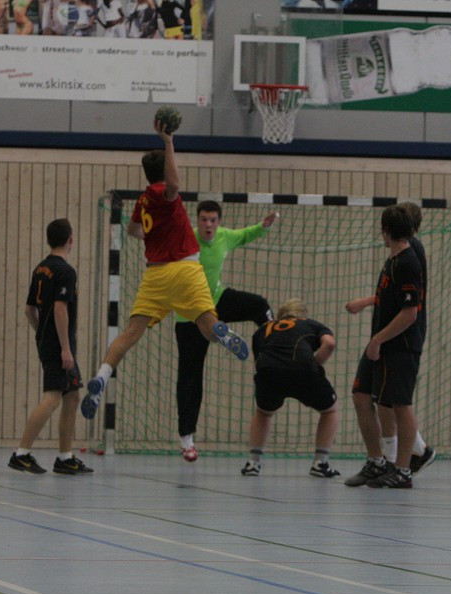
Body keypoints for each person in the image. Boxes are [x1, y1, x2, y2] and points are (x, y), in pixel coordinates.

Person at [80, 116, 249, 421]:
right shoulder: (162, 194)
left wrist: (154, 233)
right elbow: (173, 184)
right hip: (184, 269)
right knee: (206, 322)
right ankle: (225, 336)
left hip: (155, 274)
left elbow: (133, 231)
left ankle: (103, 376)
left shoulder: (143, 201)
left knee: (131, 332)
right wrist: (169, 141)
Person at [175, 201, 276, 461]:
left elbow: (244, 234)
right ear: (197, 221)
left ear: (218, 221)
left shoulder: (223, 236)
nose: (208, 225)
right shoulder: (185, 239)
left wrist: (262, 227)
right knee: (190, 375)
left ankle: (274, 343)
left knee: (259, 305)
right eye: (204, 220)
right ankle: (187, 438)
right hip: (189, 314)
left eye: (212, 220)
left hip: (217, 300)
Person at [345, 202, 434, 488]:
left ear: (385, 231)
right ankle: (378, 461)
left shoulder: (408, 260)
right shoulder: (394, 259)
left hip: (400, 342)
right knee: (363, 394)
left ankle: (404, 468)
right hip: (383, 337)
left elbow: (410, 312)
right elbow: (395, 297)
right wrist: (367, 302)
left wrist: (377, 339)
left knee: (399, 403)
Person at [9, 219, 94, 475]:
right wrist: (64, 348)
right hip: (60, 344)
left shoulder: (41, 268)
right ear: (71, 239)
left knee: (72, 395)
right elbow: (60, 308)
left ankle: (65, 457)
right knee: (53, 397)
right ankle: (21, 453)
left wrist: (41, 334)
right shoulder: (65, 271)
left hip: (49, 340)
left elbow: (29, 310)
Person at [240, 299, 342, 479]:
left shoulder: (263, 328)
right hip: (303, 370)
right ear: (302, 314)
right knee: (329, 410)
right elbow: (330, 344)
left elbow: (259, 357)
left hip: (268, 371)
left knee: (263, 412)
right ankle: (320, 463)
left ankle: (253, 463)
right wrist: (315, 364)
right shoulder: (310, 324)